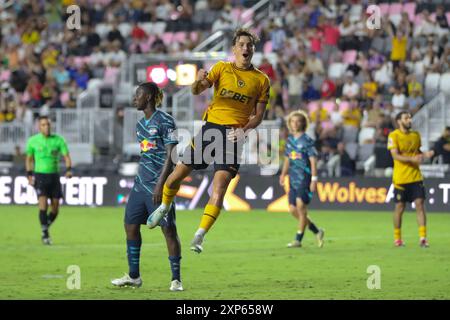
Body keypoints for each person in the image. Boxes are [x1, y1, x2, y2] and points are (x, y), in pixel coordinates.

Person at [148, 28, 270, 254]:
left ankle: (199, 235)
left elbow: (259, 116)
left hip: (234, 136)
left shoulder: (262, 80)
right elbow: (196, 91)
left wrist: (243, 131)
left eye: (249, 45)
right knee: (176, 176)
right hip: (210, 130)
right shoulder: (221, 68)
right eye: (241, 44)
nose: (245, 48)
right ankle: (164, 206)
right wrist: (198, 80)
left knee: (220, 187)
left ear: (253, 49)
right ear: (234, 48)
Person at [111, 82, 183, 291]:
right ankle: (134, 276)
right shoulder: (140, 124)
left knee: (168, 230)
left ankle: (176, 279)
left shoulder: (165, 121)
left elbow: (172, 155)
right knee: (130, 227)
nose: (135, 99)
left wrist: (161, 184)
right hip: (140, 185)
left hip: (159, 186)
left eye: (138, 95)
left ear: (149, 97)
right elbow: (147, 154)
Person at [387, 111, 434, 248]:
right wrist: (412, 159)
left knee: (420, 204)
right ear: (399, 121)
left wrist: (425, 154)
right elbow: (395, 156)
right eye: (406, 118)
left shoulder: (416, 135)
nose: (409, 120)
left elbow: (417, 152)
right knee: (400, 207)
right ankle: (397, 239)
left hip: (416, 177)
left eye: (410, 117)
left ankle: (423, 238)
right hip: (401, 178)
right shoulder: (394, 135)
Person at [279, 110, 324, 248]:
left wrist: (314, 179)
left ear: (303, 123)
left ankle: (298, 239)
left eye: (298, 121)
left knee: (300, 206)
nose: (295, 124)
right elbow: (287, 159)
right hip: (293, 179)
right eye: (292, 121)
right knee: (293, 210)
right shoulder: (290, 141)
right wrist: (283, 174)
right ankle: (317, 231)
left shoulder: (307, 140)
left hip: (305, 177)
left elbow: (313, 161)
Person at [25, 116, 72, 245]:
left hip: (54, 176)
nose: (46, 127)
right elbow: (29, 159)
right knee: (43, 204)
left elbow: (66, 156)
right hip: (40, 176)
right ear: (39, 127)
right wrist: (29, 175)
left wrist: (69, 170)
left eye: (48, 124)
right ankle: (45, 234)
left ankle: (44, 227)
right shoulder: (33, 141)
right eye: (43, 125)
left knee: (55, 209)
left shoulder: (58, 140)